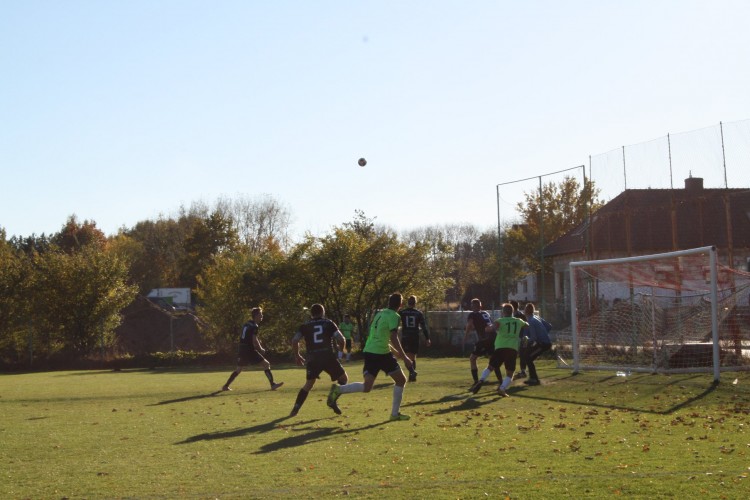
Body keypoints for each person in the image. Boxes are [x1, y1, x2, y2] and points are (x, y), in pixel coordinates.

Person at [327, 293, 414, 421]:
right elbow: (393, 336)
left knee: (367, 387)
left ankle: (338, 390)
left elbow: (379, 336)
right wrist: (405, 358)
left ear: (389, 302)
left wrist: (396, 352)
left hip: (370, 351)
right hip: (382, 354)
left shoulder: (380, 314)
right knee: (401, 380)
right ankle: (394, 414)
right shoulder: (395, 316)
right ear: (400, 304)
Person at [290, 304, 348, 416]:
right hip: (328, 357)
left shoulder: (305, 326)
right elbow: (341, 339)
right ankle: (332, 399)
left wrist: (297, 356)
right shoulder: (328, 323)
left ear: (311, 314)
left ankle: (295, 409)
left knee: (309, 384)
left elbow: (294, 340)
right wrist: (340, 354)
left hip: (313, 358)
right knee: (343, 379)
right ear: (323, 312)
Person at [470, 303, 528, 397]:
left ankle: (481, 380)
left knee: (490, 367)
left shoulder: (500, 321)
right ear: (513, 312)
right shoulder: (518, 321)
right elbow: (527, 325)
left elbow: (491, 329)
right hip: (512, 349)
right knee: (510, 373)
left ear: (503, 312)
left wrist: (488, 328)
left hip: (500, 347)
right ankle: (502, 389)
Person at [222, 307, 283, 392]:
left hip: (242, 348)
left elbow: (251, 337)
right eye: (261, 314)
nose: (262, 316)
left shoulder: (247, 324)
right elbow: (254, 339)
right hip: (249, 349)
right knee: (266, 364)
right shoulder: (255, 326)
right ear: (256, 315)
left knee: (238, 369)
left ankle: (225, 386)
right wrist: (261, 348)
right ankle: (273, 385)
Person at [462, 298, 502, 385]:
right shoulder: (486, 313)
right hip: (494, 337)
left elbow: (469, 325)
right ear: (481, 305)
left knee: (473, 358)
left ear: (472, 306)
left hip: (485, 339)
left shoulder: (472, 315)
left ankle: (476, 381)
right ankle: (500, 380)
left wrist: (465, 337)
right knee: (492, 360)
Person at [398, 295, 431, 382]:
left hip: (405, 337)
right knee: (413, 357)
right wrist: (427, 338)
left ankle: (412, 372)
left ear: (408, 302)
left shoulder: (402, 313)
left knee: (406, 356)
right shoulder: (418, 313)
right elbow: (424, 327)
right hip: (414, 337)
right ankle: (412, 374)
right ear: (415, 303)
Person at [521, 303, 553, 386]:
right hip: (544, 342)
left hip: (543, 344)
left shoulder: (530, 321)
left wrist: (527, 341)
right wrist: (543, 333)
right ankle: (533, 378)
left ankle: (534, 379)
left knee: (528, 357)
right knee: (528, 357)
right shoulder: (537, 317)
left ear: (525, 311)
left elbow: (533, 337)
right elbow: (549, 326)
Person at [510, 300, 529, 380]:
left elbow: (525, 326)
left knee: (516, 355)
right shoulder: (520, 315)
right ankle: (522, 371)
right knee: (521, 355)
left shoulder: (517, 316)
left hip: (519, 338)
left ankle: (515, 372)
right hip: (520, 337)